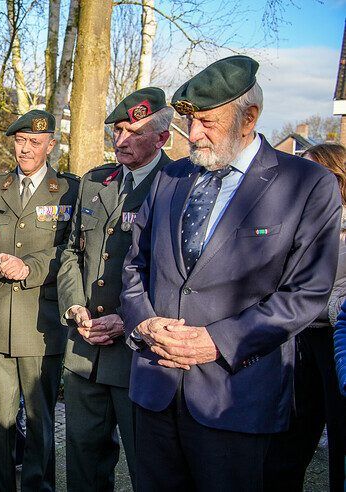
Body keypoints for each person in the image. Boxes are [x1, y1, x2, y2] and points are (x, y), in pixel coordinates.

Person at [120, 55, 342, 491]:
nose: (194, 135)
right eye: (190, 122)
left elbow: (306, 293)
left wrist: (216, 342)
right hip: (155, 389)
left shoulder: (306, 184)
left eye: (207, 121)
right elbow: (134, 263)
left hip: (236, 399)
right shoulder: (170, 177)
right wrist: (143, 320)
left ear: (249, 118)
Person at [58, 87, 173, 491]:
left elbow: (176, 275)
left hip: (138, 357)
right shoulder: (95, 181)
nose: (120, 140)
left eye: (133, 132)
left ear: (162, 138)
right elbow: (72, 252)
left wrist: (129, 320)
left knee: (149, 466)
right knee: (84, 461)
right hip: (85, 349)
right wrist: (75, 307)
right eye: (117, 130)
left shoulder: (178, 185)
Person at [0, 109, 79, 491]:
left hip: (41, 325)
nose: (26, 149)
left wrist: (29, 268)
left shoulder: (71, 191)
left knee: (42, 420)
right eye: (20, 141)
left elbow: (71, 251)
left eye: (35, 143)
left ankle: (38, 487)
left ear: (51, 145)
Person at [272, 143, 346, 491]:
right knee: (290, 435)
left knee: (340, 433)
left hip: (336, 338)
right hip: (296, 335)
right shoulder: (295, 216)